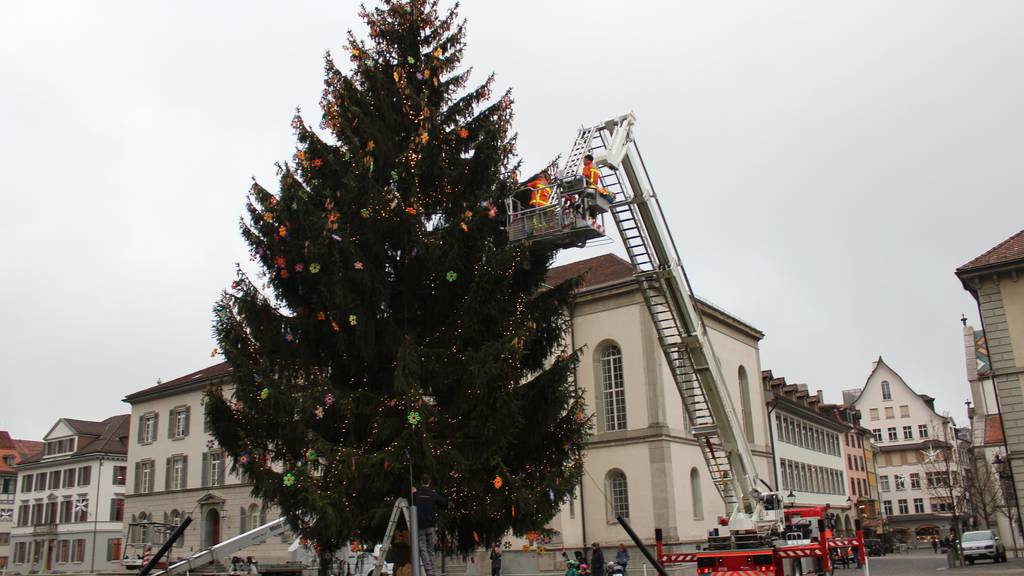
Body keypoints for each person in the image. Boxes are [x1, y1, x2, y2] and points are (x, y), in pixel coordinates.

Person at [413, 475, 448, 576]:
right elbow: (443, 503)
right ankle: (431, 571)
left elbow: (409, 501)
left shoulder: (416, 495)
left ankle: (429, 571)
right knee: (430, 550)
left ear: (421, 482)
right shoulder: (432, 494)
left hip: (420, 526)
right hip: (431, 526)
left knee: (423, 549)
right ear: (429, 482)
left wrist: (413, 493)